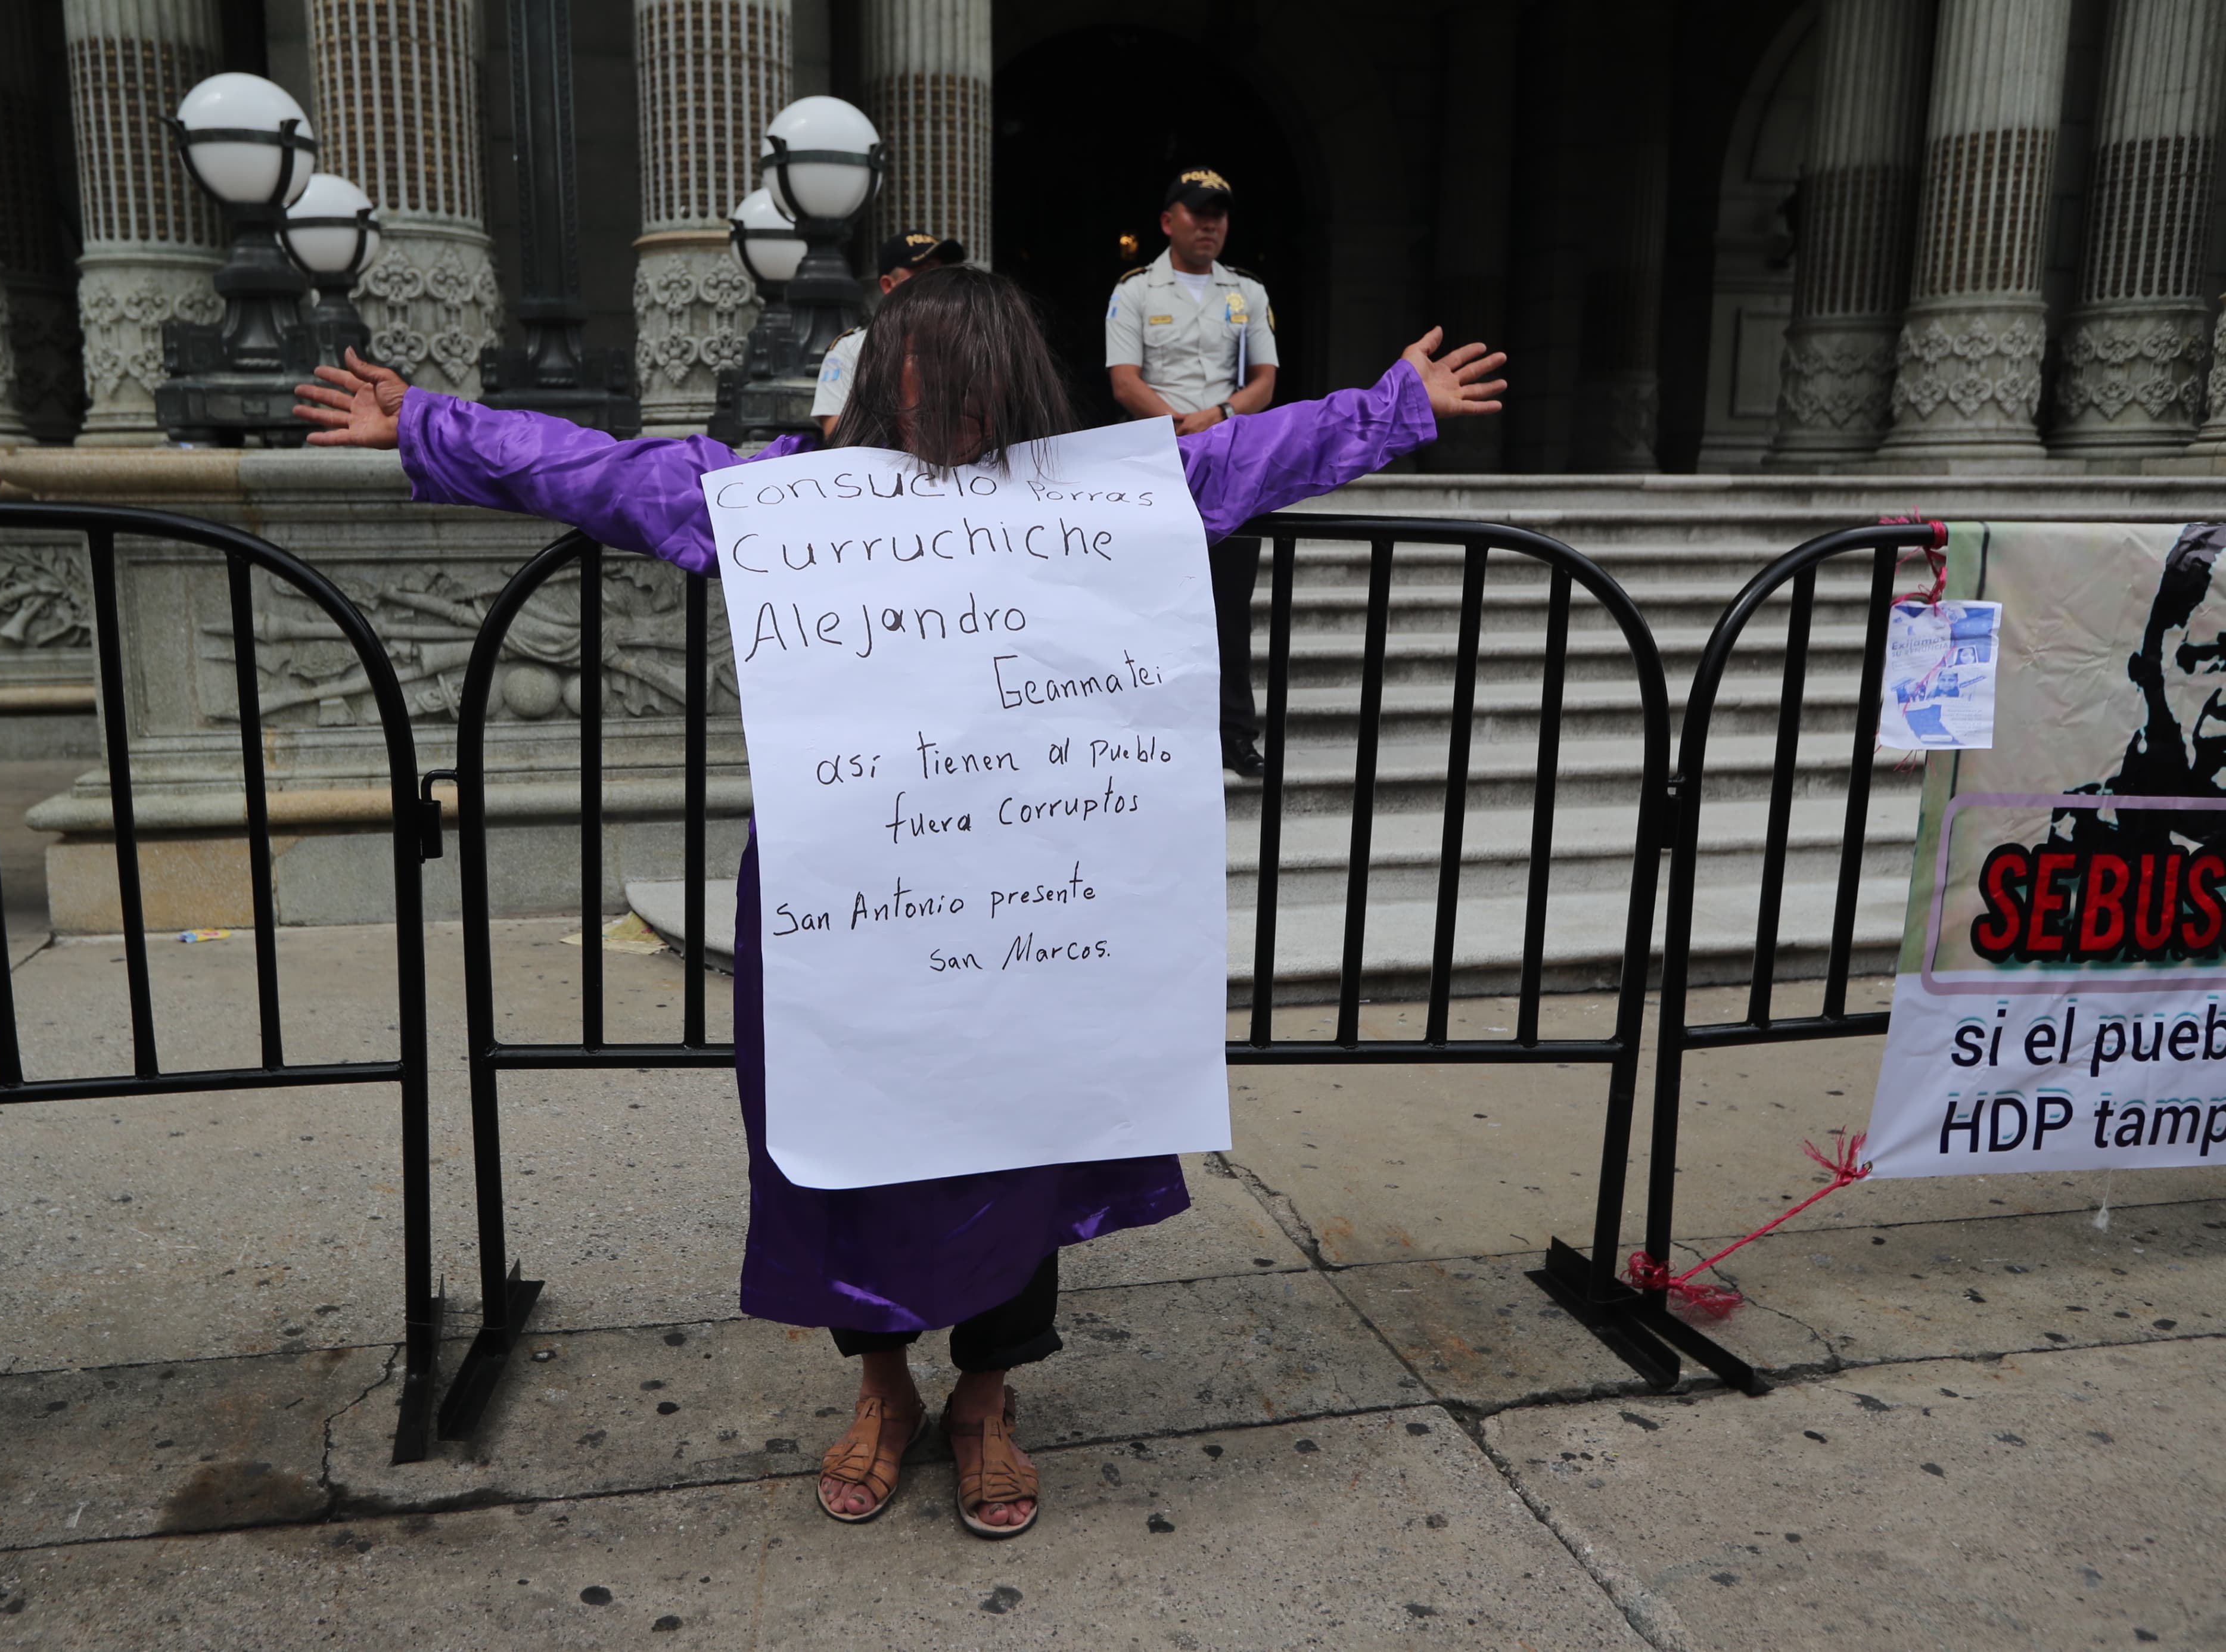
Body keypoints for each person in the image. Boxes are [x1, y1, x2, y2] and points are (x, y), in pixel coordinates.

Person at [295, 270, 1502, 1539]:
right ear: (884, 378)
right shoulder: (789, 500)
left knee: (1024, 1148)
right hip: (847, 912)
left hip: (1028, 904)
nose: (954, 406)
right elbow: (601, 472)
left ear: (1015, 383)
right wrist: (429, 423)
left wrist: (1393, 404)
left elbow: (1258, 450)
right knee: (842, 1146)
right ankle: (881, 1390)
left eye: (976, 380)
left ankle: (985, 1397)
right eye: (927, 373)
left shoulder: (1100, 493)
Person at [1107, 167, 1279, 778]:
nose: (1209, 224)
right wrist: (1179, 424)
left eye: (1219, 214)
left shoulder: (1248, 292)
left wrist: (1219, 415)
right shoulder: (1135, 290)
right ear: (1167, 221)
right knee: (1155, 604)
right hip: (1162, 459)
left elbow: (1264, 379)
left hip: (1231, 459)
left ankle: (1234, 733)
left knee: (1228, 608)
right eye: (1197, 212)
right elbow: (1124, 379)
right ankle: (1155, 737)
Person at [810, 229, 965, 438]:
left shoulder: (969, 342)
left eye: (942, 273)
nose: (937, 283)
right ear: (888, 285)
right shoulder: (852, 348)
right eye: (923, 273)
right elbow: (838, 435)